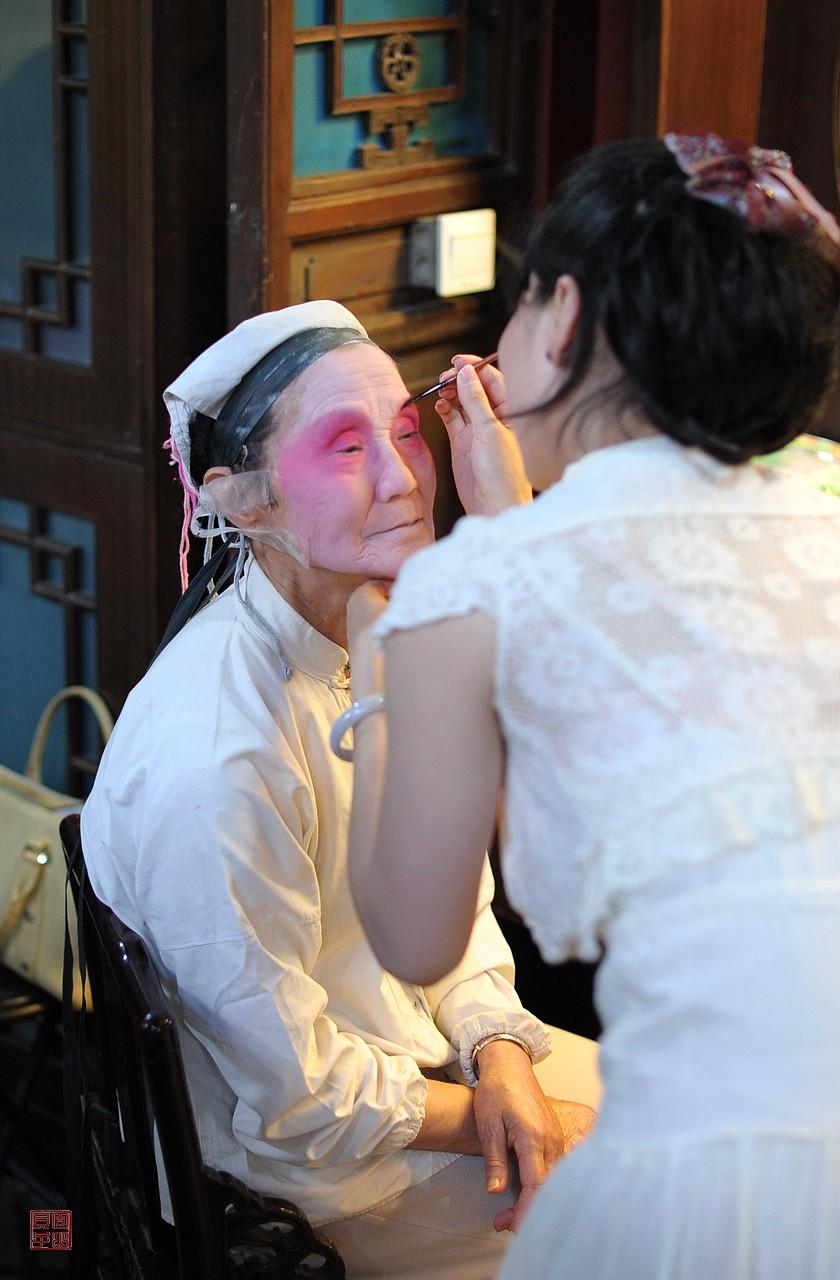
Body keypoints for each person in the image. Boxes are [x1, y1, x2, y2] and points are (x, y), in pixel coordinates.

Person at [345, 135, 840, 1279]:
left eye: (523, 300)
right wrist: (512, 516)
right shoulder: (830, 500)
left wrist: (379, 674)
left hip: (702, 1183)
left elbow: (413, 935)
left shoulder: (465, 594)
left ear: (562, 313)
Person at [80, 299, 600, 1280]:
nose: (404, 477)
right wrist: (493, 1115)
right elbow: (299, 1096)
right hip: (314, 1175)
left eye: (404, 431)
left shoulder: (369, 638)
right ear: (245, 501)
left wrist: (497, 1051)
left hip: (416, 1066)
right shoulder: (217, 754)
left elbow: (451, 902)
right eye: (347, 447)